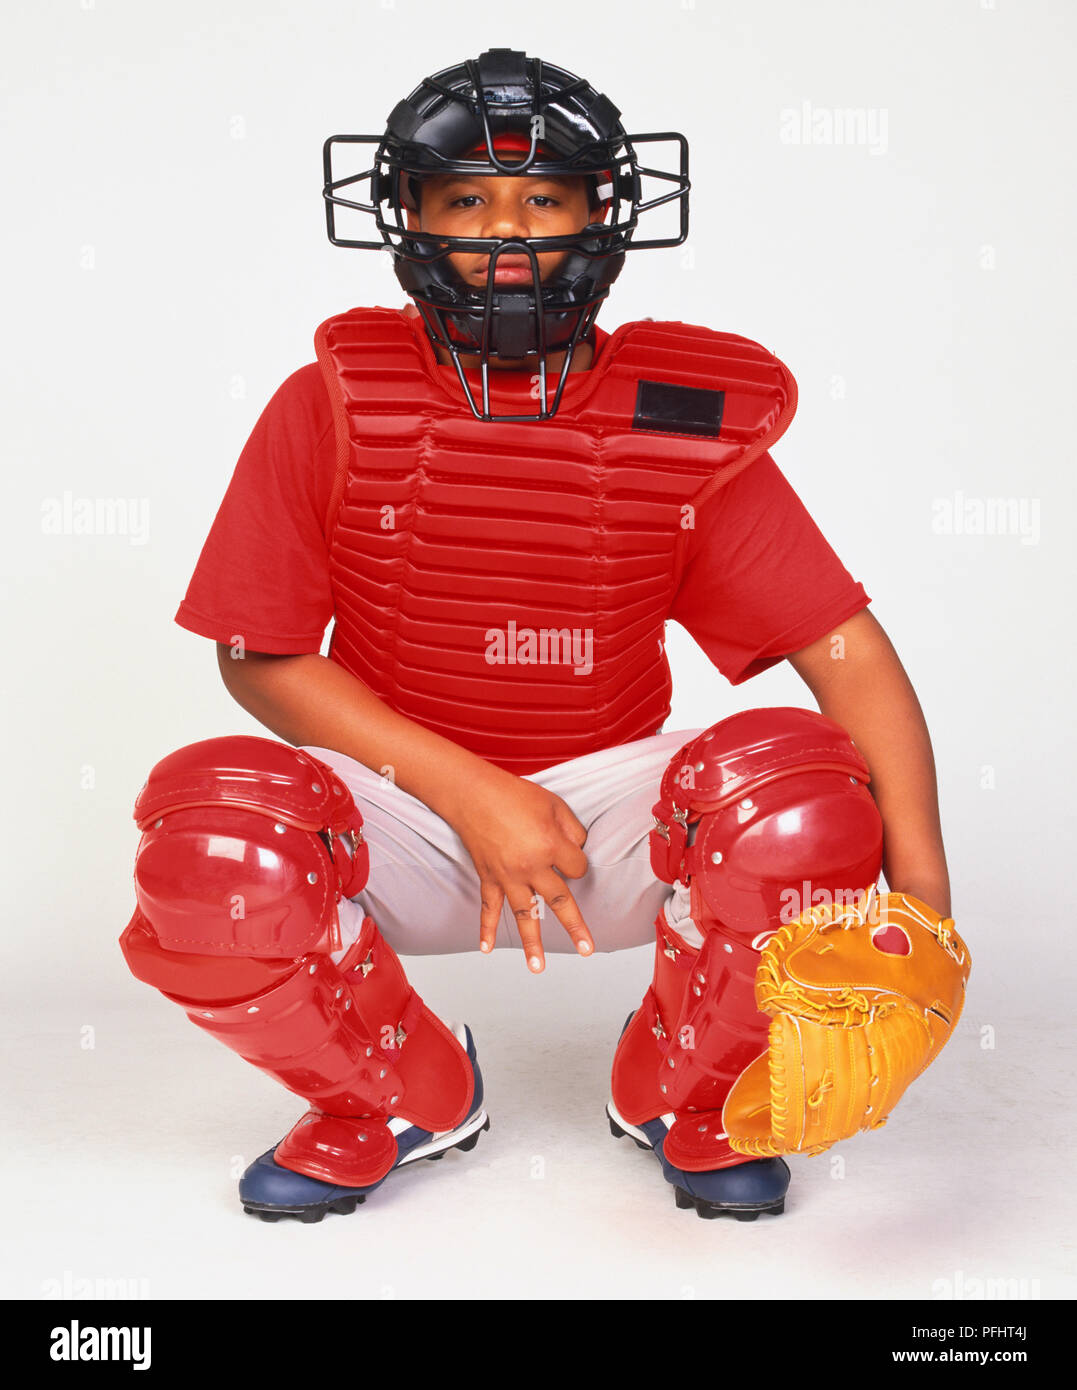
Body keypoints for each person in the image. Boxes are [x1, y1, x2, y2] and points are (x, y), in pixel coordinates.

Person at [120, 48, 962, 1223]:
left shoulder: (675, 417)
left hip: (601, 823)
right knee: (212, 840)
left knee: (803, 802)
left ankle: (688, 1085)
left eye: (543, 199)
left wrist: (920, 896)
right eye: (467, 198)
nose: (507, 236)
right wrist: (471, 793)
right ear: (406, 216)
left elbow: (847, 652)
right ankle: (392, 1094)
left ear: (602, 216)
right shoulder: (329, 398)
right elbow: (257, 654)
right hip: (399, 805)